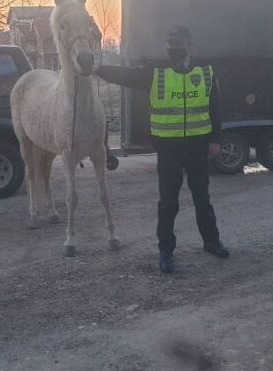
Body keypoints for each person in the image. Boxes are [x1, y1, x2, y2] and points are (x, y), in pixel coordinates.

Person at [93, 25, 230, 274]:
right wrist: (99, 69)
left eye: (178, 43)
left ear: (189, 44)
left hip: (198, 145)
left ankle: (211, 242)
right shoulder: (156, 71)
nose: (173, 47)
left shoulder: (205, 71)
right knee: (168, 202)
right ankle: (166, 252)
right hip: (169, 148)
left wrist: (216, 139)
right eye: (169, 43)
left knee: (202, 198)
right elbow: (126, 76)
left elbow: (215, 107)